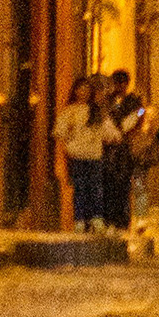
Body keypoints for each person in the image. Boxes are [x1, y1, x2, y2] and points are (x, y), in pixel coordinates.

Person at [54, 74, 110, 232]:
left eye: (86, 89)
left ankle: (96, 219)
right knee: (80, 188)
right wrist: (69, 145)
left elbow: (108, 132)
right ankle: (79, 219)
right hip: (77, 155)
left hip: (94, 154)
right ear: (75, 91)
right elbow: (60, 132)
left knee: (96, 187)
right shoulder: (69, 111)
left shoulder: (96, 111)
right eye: (80, 89)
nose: (83, 92)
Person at [102, 68, 145, 232]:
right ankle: (110, 218)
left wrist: (139, 117)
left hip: (126, 147)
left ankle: (122, 220)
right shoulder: (109, 101)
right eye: (117, 82)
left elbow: (142, 111)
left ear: (127, 84)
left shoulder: (133, 100)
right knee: (110, 183)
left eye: (122, 82)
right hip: (111, 145)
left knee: (124, 184)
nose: (119, 86)